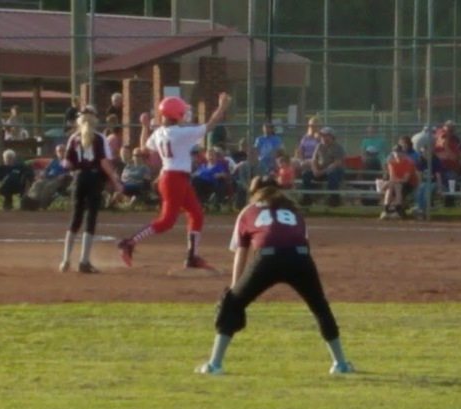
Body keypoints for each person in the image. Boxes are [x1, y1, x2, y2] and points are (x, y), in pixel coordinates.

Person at [194, 175, 353, 376]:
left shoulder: (249, 211)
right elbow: (303, 243)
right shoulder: (294, 211)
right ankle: (339, 364)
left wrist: (235, 291)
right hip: (300, 258)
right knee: (320, 306)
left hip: (267, 259)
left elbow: (241, 253)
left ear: (254, 193)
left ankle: (214, 364)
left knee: (232, 304)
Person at [117, 92, 232, 270]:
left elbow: (143, 148)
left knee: (196, 214)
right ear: (176, 115)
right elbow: (209, 126)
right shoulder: (180, 132)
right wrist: (222, 106)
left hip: (175, 178)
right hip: (173, 180)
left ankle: (192, 257)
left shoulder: (161, 132)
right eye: (182, 112)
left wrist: (144, 127)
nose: (185, 115)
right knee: (166, 221)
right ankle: (130, 242)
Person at [58, 105, 124, 274]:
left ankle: (65, 259)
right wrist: (115, 182)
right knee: (91, 218)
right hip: (94, 178)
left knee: (76, 217)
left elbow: (67, 163)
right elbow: (103, 162)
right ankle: (84, 261)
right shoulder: (100, 138)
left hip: (79, 178)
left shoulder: (74, 137)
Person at [300, 126, 345, 206]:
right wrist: (315, 170)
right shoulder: (319, 146)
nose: (323, 137)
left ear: (332, 136)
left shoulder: (338, 147)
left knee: (332, 174)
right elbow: (314, 160)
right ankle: (306, 197)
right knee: (305, 174)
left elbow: (336, 163)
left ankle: (334, 199)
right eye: (322, 135)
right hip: (321, 170)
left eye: (325, 135)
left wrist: (321, 172)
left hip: (334, 170)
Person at [377, 146, 417, 220]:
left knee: (397, 186)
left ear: (403, 153)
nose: (397, 154)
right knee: (390, 188)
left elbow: (405, 179)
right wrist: (389, 183)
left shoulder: (408, 163)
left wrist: (390, 182)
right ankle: (386, 210)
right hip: (396, 183)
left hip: (409, 184)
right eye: (395, 152)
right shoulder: (391, 163)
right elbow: (392, 177)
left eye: (399, 152)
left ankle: (397, 210)